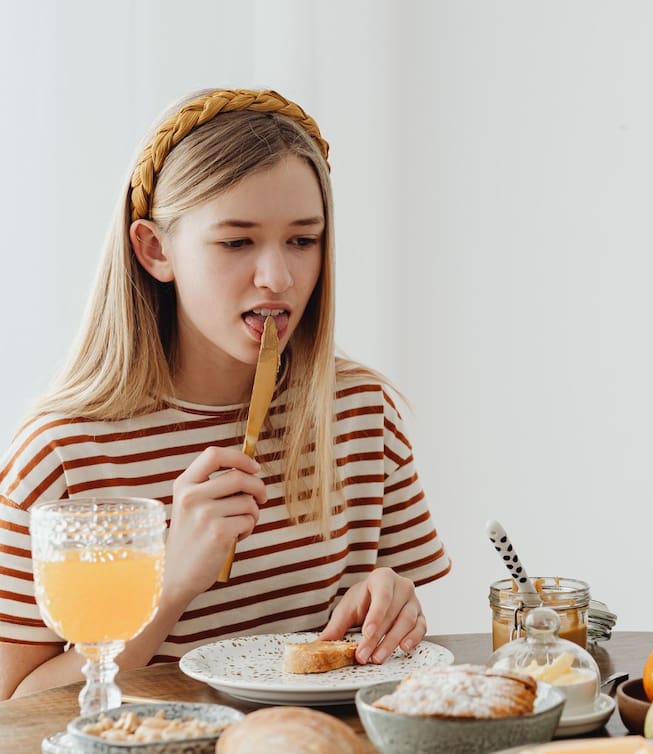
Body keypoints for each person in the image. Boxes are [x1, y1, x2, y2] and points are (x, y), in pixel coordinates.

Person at [0, 89, 451, 699]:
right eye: (237, 242)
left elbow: (394, 650)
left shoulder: (363, 414)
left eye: (303, 240)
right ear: (155, 250)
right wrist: (171, 579)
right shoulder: (60, 457)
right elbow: (16, 709)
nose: (279, 278)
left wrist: (393, 609)